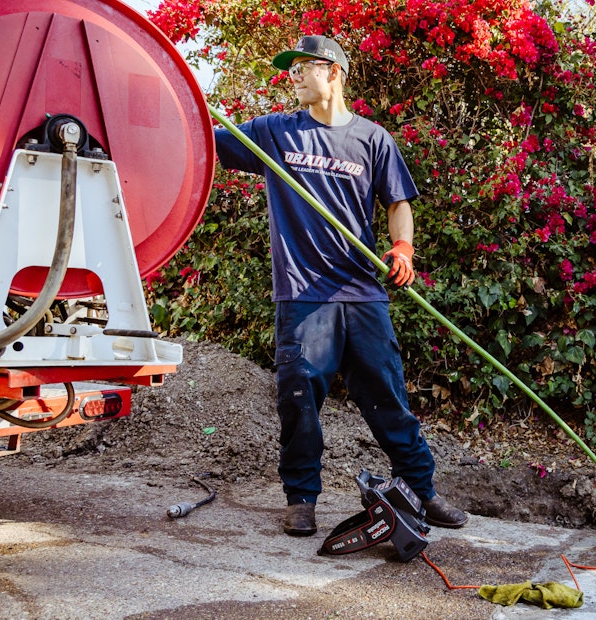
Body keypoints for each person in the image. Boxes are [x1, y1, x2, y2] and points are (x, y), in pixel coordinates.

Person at [214, 35, 468, 536]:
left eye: (303, 67)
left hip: (361, 291)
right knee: (300, 397)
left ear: (333, 72)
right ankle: (302, 498)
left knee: (387, 394)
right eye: (291, 70)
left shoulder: (374, 139)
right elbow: (204, 137)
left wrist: (403, 250)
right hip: (303, 292)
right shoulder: (273, 132)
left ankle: (421, 489)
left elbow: (399, 203)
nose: (294, 76)